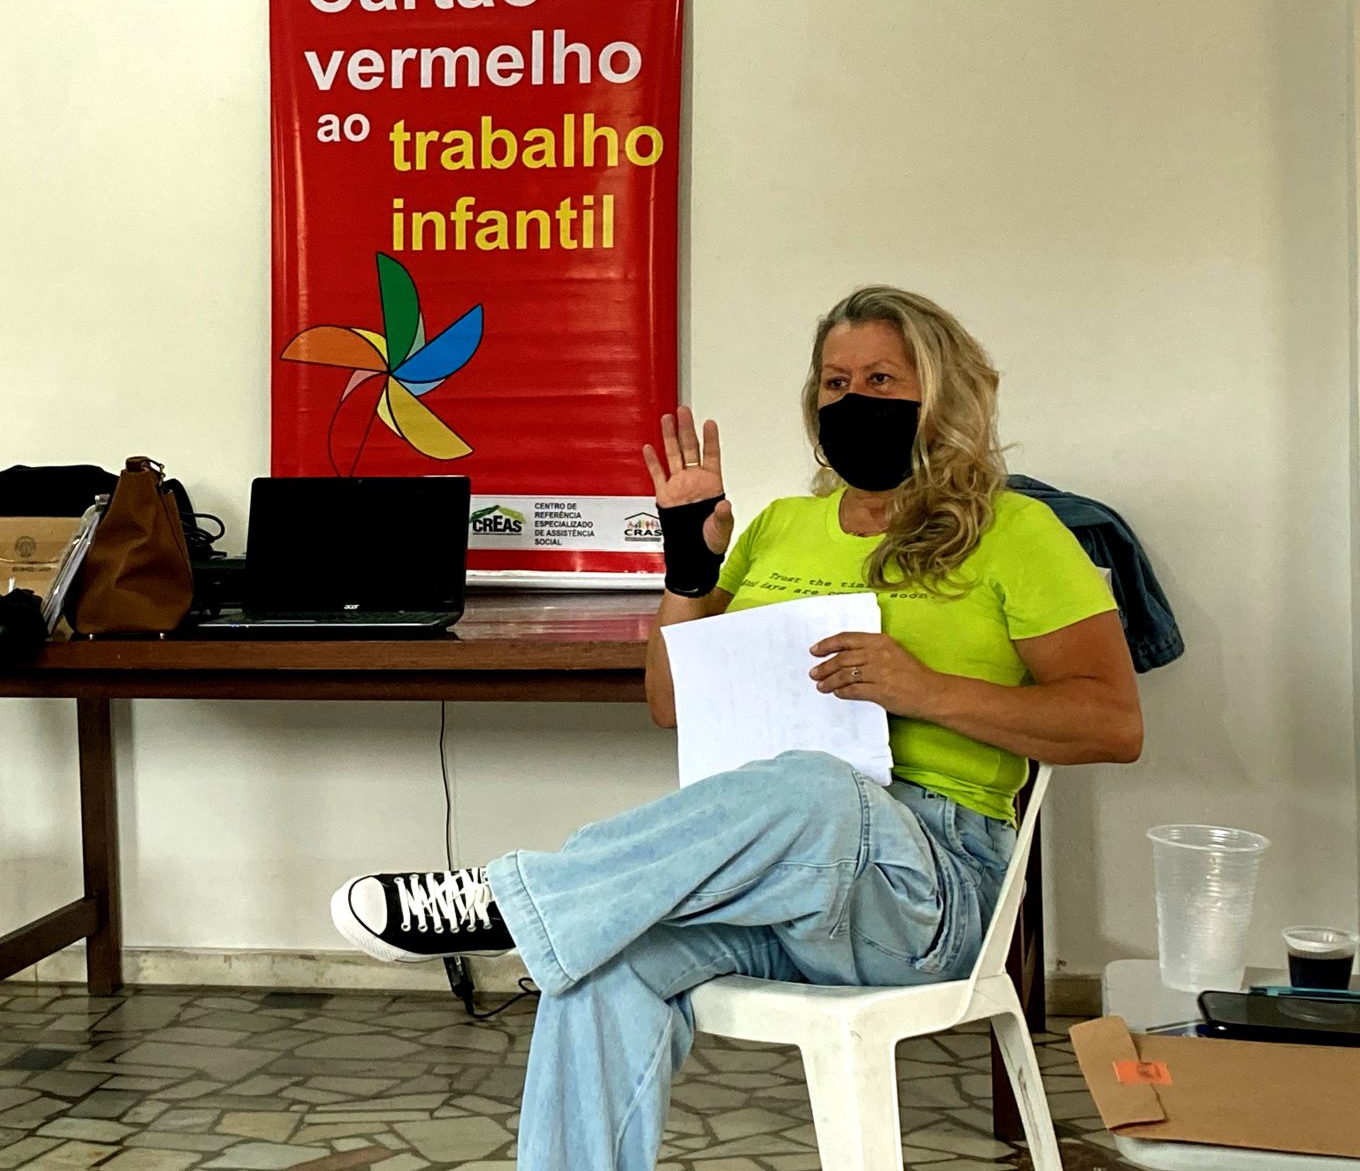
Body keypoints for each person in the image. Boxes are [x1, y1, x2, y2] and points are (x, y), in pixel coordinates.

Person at [330, 285, 1143, 1171]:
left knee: (814, 786)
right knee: (603, 958)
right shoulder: (782, 527)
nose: (852, 401)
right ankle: (546, 922)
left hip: (927, 895)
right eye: (835, 383)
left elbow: (1113, 723)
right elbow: (671, 703)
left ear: (941, 393)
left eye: (880, 379)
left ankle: (511, 899)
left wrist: (929, 691)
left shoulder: (1018, 532)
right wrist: (688, 569)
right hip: (775, 880)